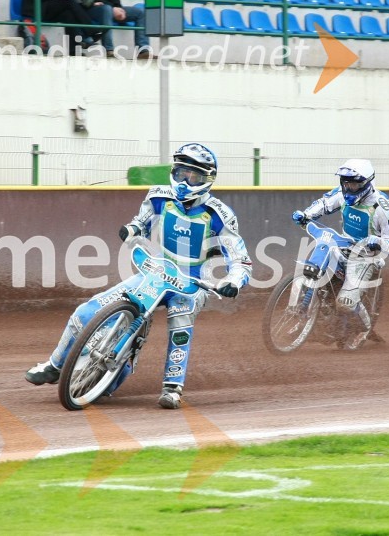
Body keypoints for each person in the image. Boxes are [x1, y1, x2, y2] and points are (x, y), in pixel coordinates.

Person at [25, 143, 253, 409]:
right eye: (180, 172)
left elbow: (241, 260)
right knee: (88, 310)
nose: (184, 181)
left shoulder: (220, 215)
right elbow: (141, 222)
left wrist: (233, 281)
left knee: (180, 324)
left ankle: (172, 387)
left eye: (193, 176)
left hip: (192, 283)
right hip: (157, 270)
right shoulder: (158, 196)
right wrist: (132, 229)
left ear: (207, 180)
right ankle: (54, 365)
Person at [291, 160, 389, 343]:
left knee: (345, 303)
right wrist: (306, 214)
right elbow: (324, 204)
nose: (350, 188)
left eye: (355, 183)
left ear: (367, 183)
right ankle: (307, 315)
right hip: (342, 246)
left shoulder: (384, 209)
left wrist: (379, 242)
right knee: (316, 268)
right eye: (346, 183)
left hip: (366, 258)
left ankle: (365, 330)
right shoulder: (342, 194)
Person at [21, 0, 104, 56]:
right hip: (35, 10)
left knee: (67, 15)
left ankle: (73, 49)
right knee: (69, 0)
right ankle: (92, 31)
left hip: (46, 8)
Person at [79, 0, 151, 58]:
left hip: (110, 8)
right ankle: (109, 50)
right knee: (107, 9)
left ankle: (143, 51)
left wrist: (119, 8)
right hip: (92, 9)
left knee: (140, 13)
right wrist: (113, 8)